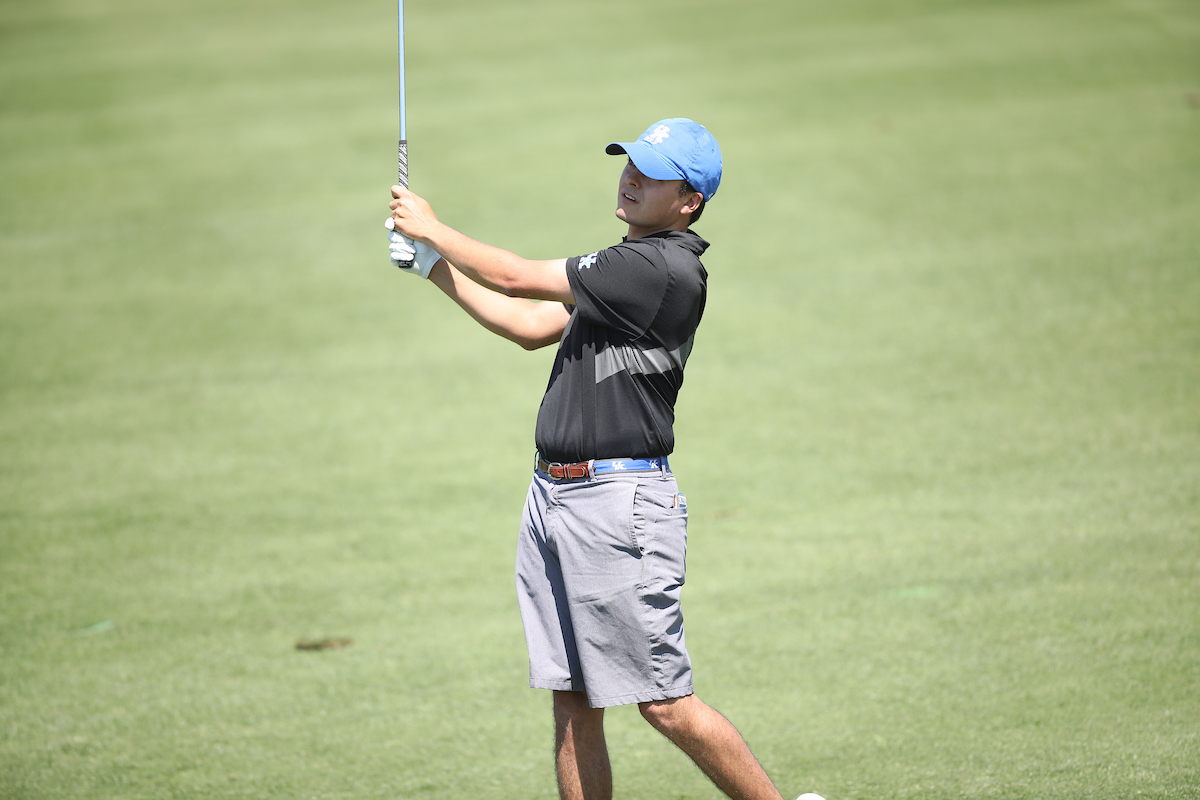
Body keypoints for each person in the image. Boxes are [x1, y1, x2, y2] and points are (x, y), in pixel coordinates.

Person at [386, 119, 790, 800]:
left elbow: (515, 278)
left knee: (664, 702)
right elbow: (527, 326)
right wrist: (432, 267)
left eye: (651, 174)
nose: (630, 178)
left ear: (688, 201)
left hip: (616, 507)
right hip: (555, 499)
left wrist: (431, 227)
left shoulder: (658, 269)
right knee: (573, 699)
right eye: (630, 164)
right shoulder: (623, 271)